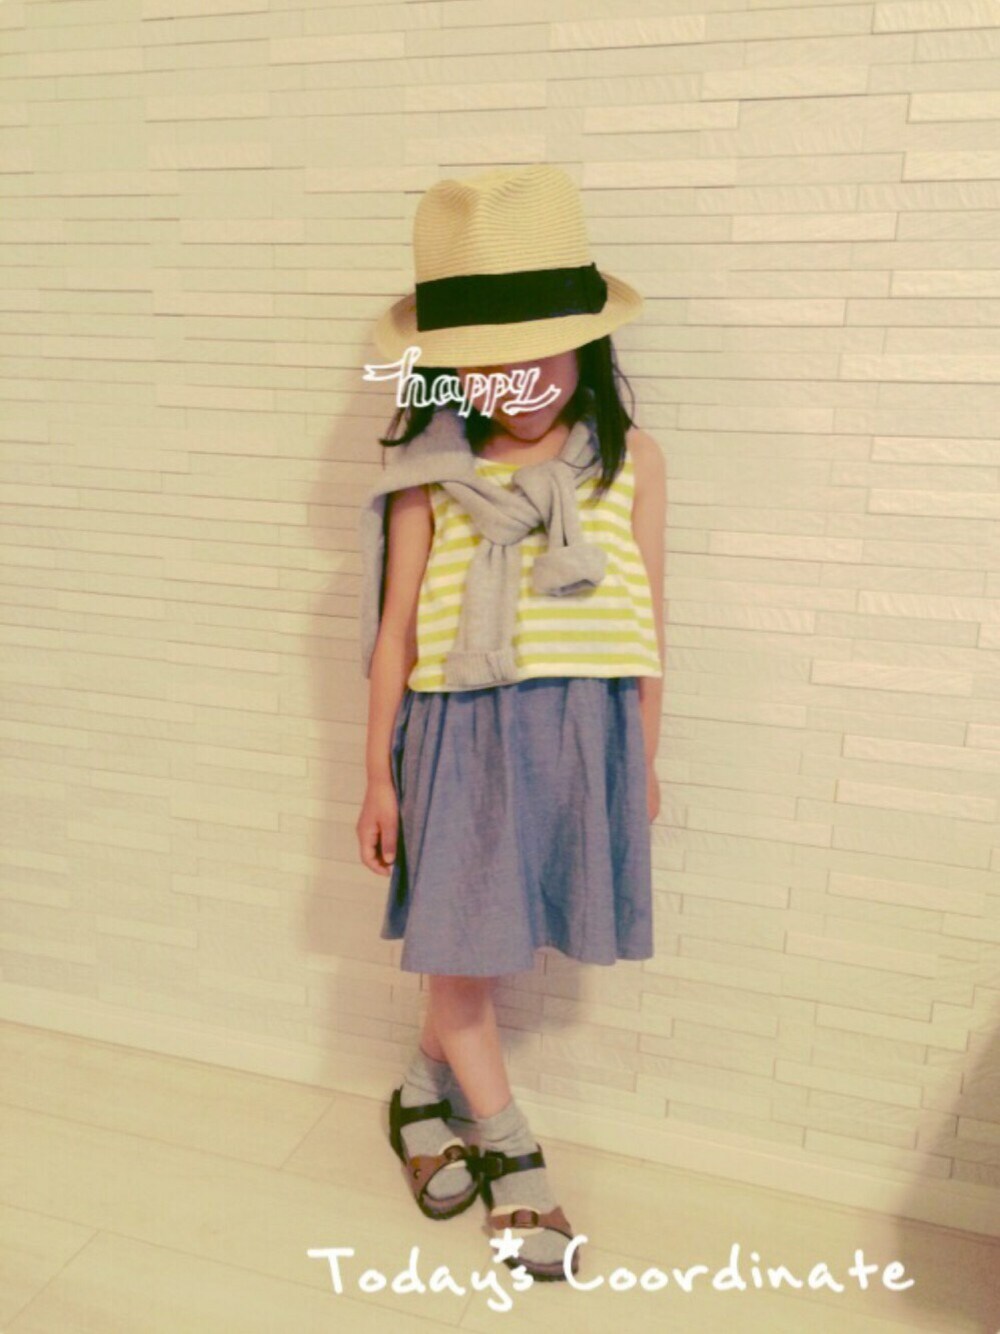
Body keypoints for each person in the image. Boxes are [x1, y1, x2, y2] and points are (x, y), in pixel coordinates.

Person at [354, 164, 666, 1283]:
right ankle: (515, 1156)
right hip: (460, 738)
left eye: (541, 352)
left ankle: (419, 1096)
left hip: (586, 731)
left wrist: (644, 757)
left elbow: (649, 621)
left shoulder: (631, 464)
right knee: (462, 949)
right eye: (485, 364)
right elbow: (395, 632)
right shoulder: (429, 475)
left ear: (588, 344)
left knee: (492, 936)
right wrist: (377, 775)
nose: (518, 383)